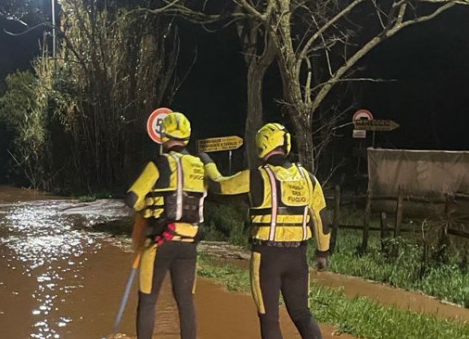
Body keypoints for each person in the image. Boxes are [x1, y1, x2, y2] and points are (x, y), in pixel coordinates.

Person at [210, 123, 330, 339]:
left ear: (262, 145)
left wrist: (207, 163)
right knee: (303, 314)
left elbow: (220, 186)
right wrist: (323, 253)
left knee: (269, 319)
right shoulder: (308, 179)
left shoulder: (256, 176)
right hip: (298, 258)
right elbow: (321, 218)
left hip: (267, 258)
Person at [124, 111, 226, 339]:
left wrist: (146, 207)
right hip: (189, 244)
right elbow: (216, 187)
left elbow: (131, 199)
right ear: (186, 137)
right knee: (185, 301)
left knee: (148, 300)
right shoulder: (200, 165)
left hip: (159, 243)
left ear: (163, 136)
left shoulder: (158, 163)